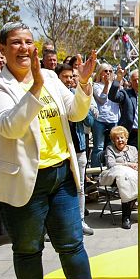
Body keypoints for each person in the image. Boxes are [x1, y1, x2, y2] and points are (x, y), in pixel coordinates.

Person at [0, 21, 108, 279]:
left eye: (28, 41)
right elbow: (8, 126)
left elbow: (76, 114)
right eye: (16, 42)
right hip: (25, 182)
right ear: (3, 49)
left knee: (72, 245)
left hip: (61, 176)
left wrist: (83, 84)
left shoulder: (51, 77)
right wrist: (34, 87)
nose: (24, 47)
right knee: (28, 249)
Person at [56, 63, 95, 235]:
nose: (70, 80)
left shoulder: (77, 94)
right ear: (57, 78)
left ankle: (80, 221)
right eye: (65, 77)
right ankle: (56, 226)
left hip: (79, 147)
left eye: (72, 77)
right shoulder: (51, 98)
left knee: (79, 187)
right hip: (59, 150)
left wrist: (80, 107)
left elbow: (91, 122)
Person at [99, 126, 138, 229]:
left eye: (122, 137)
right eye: (117, 138)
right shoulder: (110, 149)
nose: (120, 140)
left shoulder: (133, 149)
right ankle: (126, 217)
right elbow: (111, 165)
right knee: (123, 177)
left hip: (133, 175)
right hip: (115, 176)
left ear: (126, 138)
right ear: (113, 140)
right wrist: (128, 164)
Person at [90, 63, 120, 167]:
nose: (108, 73)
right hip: (100, 120)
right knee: (98, 147)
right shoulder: (96, 85)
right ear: (100, 72)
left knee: (111, 147)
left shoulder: (116, 85)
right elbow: (102, 99)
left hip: (113, 119)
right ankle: (95, 171)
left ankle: (109, 168)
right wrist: (107, 84)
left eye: (110, 71)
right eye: (105, 71)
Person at [109, 68, 139, 146]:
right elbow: (112, 96)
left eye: (139, 79)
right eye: (134, 80)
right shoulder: (126, 93)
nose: (137, 82)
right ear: (131, 82)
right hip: (130, 134)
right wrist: (118, 80)